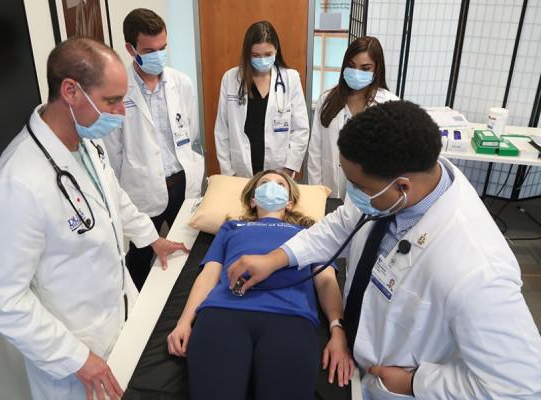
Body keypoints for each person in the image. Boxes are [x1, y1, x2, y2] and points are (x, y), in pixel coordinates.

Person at [228, 101, 541, 399]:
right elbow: (339, 225)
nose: (351, 193)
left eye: (358, 186)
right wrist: (275, 258)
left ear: (403, 186)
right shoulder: (392, 190)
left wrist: (416, 383)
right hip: (356, 351)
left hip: (399, 386)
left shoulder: (477, 271)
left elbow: (521, 385)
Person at [0, 37, 188, 400]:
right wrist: (76, 358)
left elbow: (112, 199)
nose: (121, 112)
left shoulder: (85, 142)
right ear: (71, 91)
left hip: (120, 318)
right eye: (111, 100)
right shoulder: (18, 183)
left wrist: (150, 237)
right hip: (77, 357)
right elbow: (2, 298)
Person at [166, 170, 354, 400]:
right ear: (253, 199)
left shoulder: (311, 233)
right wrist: (184, 322)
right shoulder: (231, 228)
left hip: (291, 318)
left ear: (291, 202)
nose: (272, 186)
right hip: (223, 314)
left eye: (280, 184)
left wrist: (338, 330)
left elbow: (326, 280)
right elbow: (209, 274)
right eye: (264, 183)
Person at [103, 8, 204, 290]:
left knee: (188, 251)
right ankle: (139, 319)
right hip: (142, 190)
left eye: (163, 48)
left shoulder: (181, 83)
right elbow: (112, 155)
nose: (158, 56)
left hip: (181, 182)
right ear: (130, 48)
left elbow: (190, 130)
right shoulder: (117, 91)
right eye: (149, 50)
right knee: (140, 258)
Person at [214, 20, 309, 178]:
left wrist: (288, 169)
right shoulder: (231, 78)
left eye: (267, 54)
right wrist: (228, 172)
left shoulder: (290, 78)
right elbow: (222, 130)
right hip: (240, 171)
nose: (262, 60)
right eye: (255, 55)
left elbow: (301, 129)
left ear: (276, 50)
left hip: (279, 172)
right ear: (247, 53)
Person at [308, 36, 398, 199]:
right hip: (330, 191)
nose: (357, 73)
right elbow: (315, 151)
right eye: (351, 66)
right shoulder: (327, 100)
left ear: (376, 70)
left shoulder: (389, 104)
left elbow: (393, 157)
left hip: (369, 194)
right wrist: (317, 193)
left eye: (365, 68)